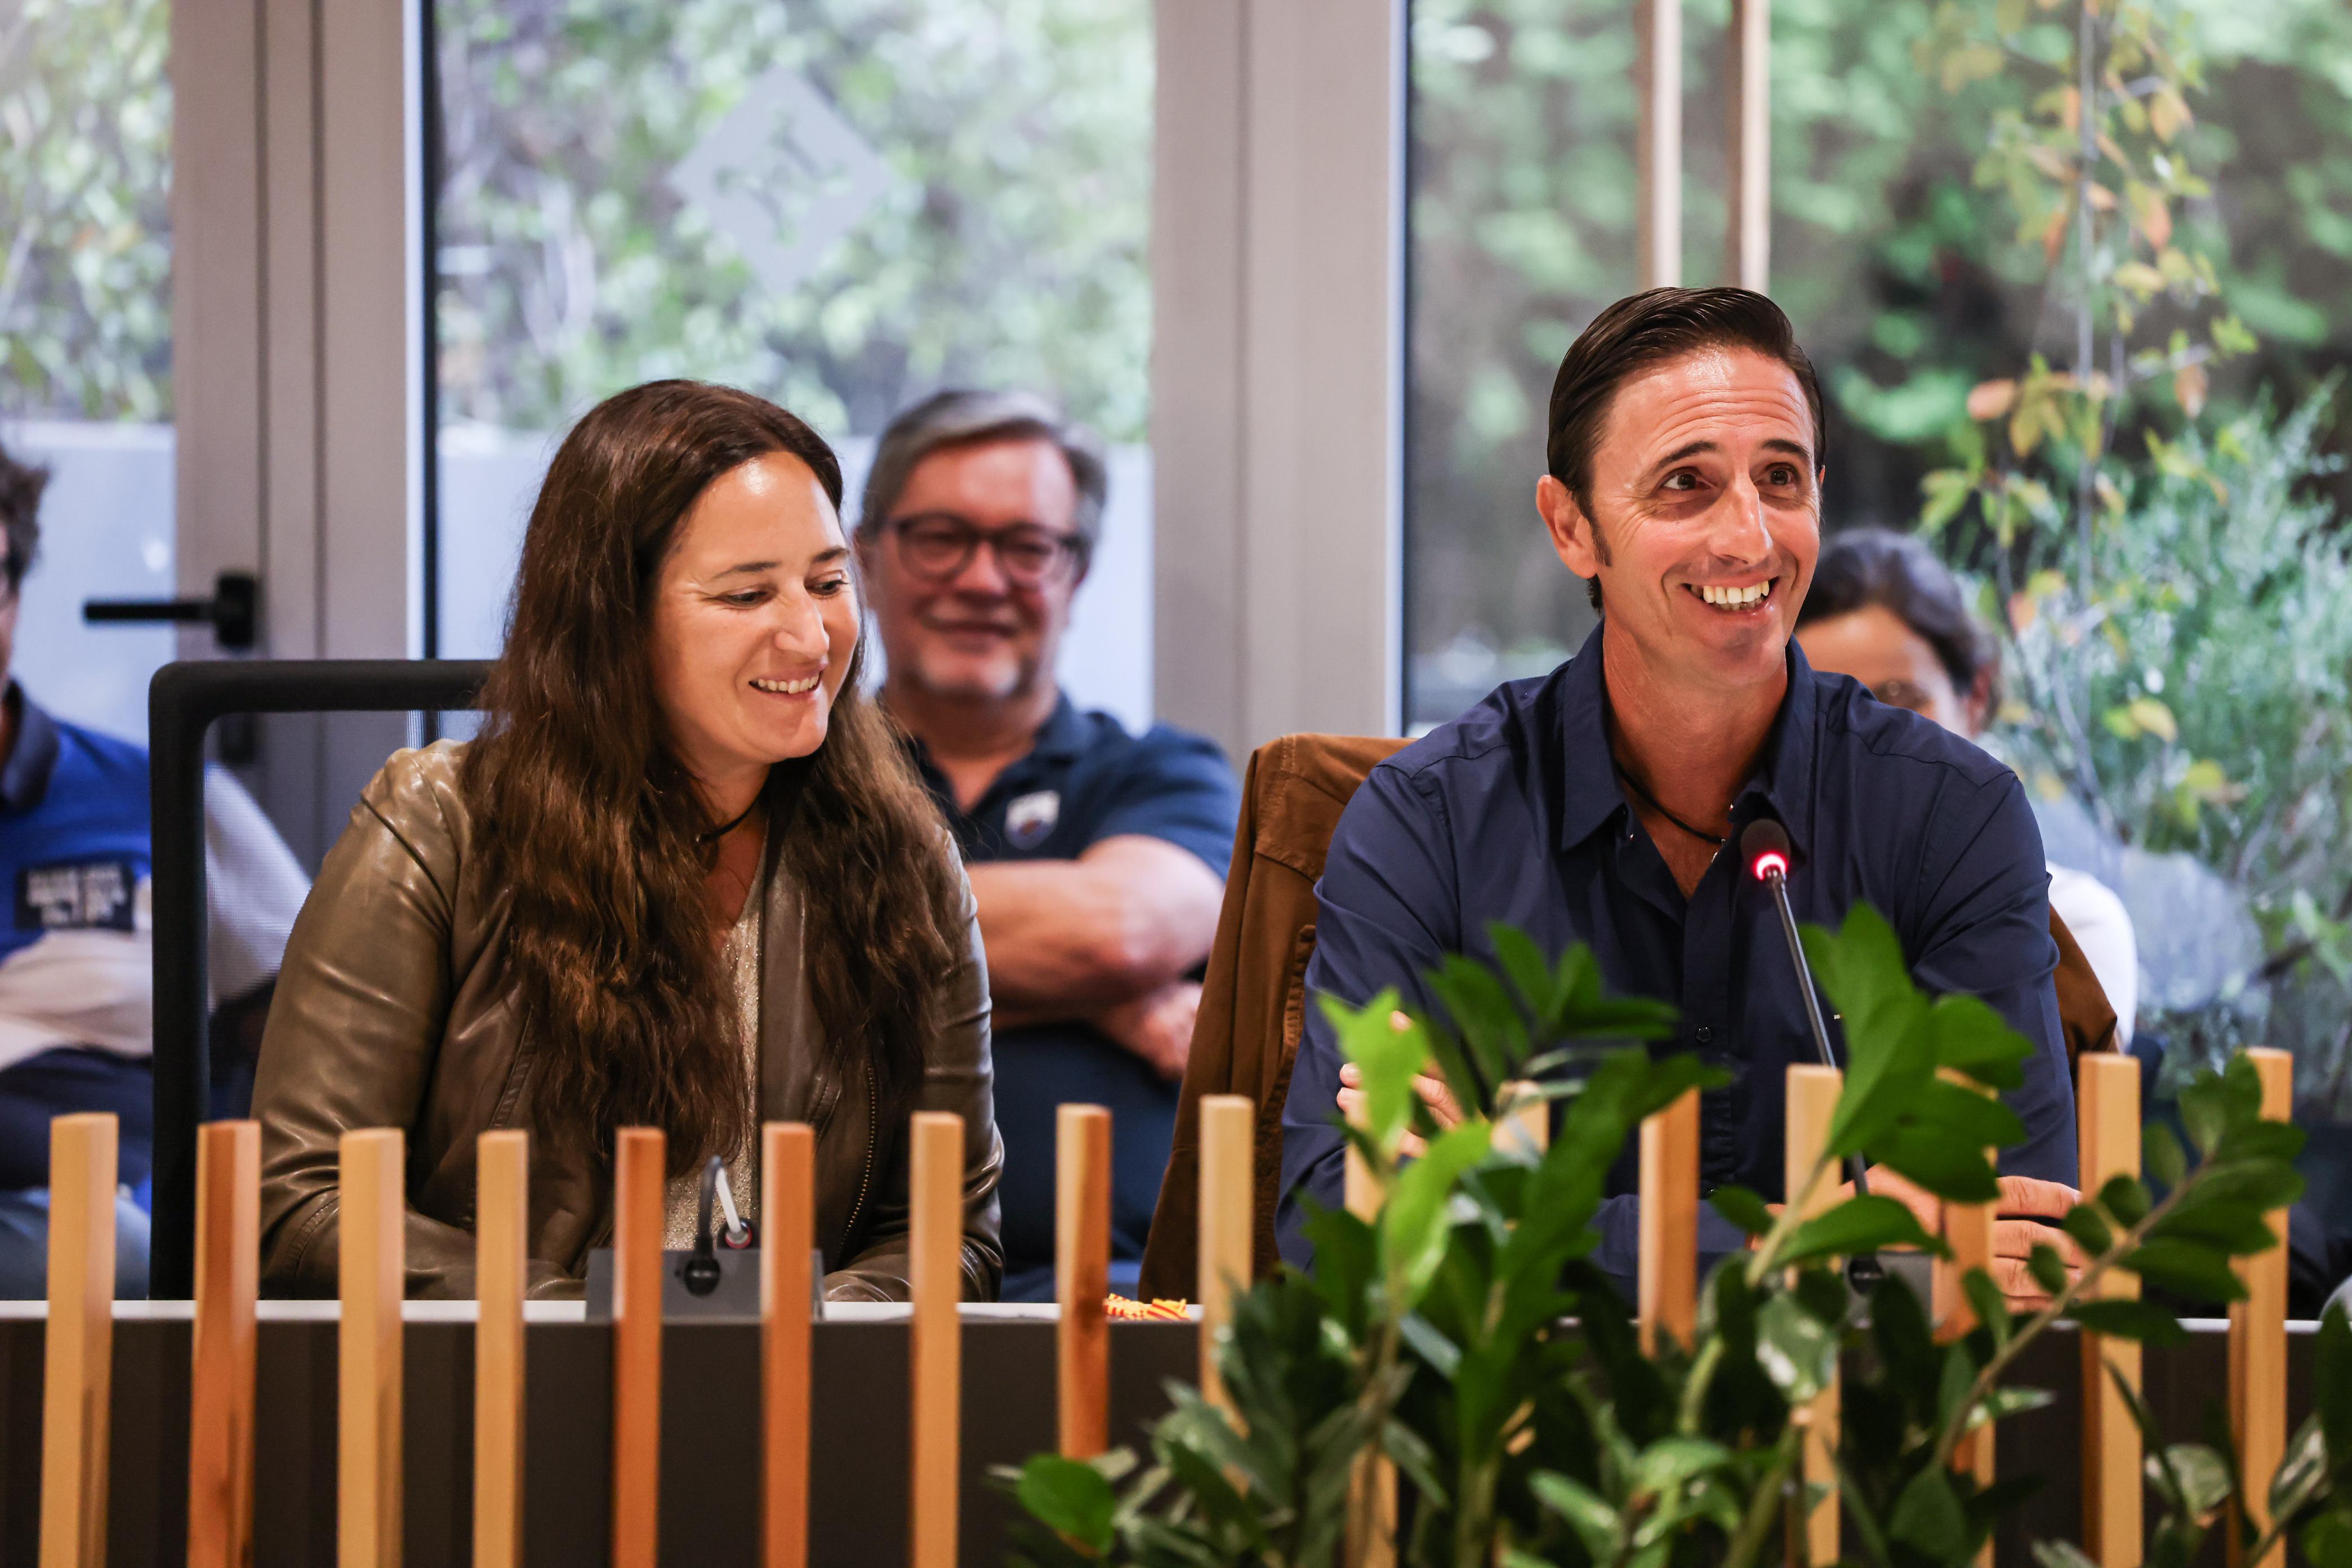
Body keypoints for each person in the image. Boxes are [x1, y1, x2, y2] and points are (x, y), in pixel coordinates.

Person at [1279, 287, 2080, 1308]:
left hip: (1860, 1442)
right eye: (1686, 485)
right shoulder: (1425, 821)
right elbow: (1333, 1227)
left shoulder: (1949, 814)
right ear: (1572, 527)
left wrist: (1521, 1217)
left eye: (1780, 478)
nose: (1749, 537)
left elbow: (2016, 1233)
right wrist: (1846, 1240)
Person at [252, 381, 1001, 1300]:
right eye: (747, 592)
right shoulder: (436, 822)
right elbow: (300, 1199)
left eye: (828, 580)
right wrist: (602, 1330)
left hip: (800, 1407)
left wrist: (803, 1332)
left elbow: (945, 1230)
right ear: (616, 618)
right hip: (495, 1404)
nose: (810, 633)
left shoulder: (906, 854)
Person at [857, 390, 1237, 1300]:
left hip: (1126, 1308)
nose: (982, 580)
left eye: (1026, 546)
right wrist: (1100, 1004)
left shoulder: (1164, 774)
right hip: (844, 1304)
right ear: (868, 558)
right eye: (941, 536)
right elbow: (746, 951)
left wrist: (865, 973)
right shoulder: (796, 780)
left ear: (1075, 573)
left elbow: (1120, 932)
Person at [0, 439, 308, 1298]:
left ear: (16, 602)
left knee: (112, 1249)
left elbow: (323, 1036)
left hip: (96, 1213)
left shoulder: (165, 793)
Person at [1793, 527, 2140, 1042]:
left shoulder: (2074, 926)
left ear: (1975, 695)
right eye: (1825, 711)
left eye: (1897, 700)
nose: (1866, 740)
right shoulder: (1769, 912)